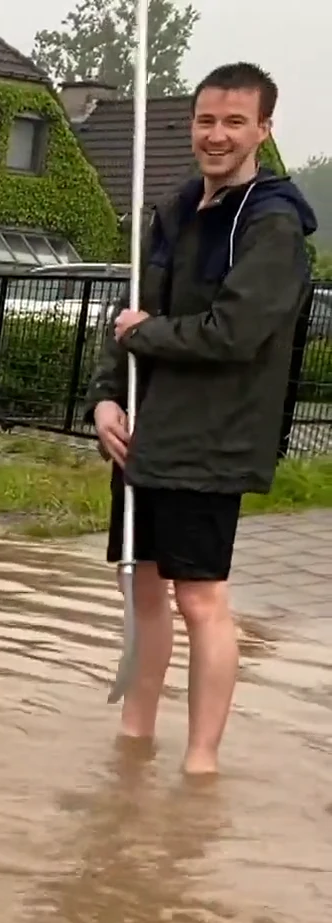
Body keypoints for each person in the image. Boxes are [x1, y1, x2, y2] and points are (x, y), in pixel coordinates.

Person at [88, 61, 316, 775]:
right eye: (206, 121)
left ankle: (201, 766)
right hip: (143, 439)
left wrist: (142, 333)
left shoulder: (274, 226)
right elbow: (123, 321)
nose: (216, 136)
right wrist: (104, 399)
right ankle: (134, 741)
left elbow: (233, 333)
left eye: (234, 123)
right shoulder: (174, 211)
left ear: (263, 130)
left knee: (201, 599)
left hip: (212, 440)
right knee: (141, 589)